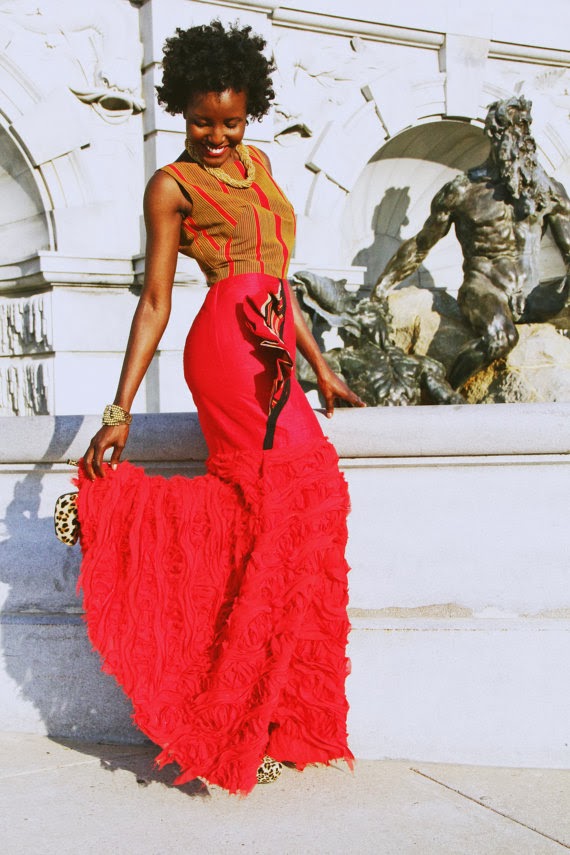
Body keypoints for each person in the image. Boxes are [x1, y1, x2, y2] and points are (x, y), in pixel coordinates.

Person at [75, 21, 364, 796]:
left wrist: (320, 366)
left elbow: (278, 281)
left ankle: (276, 708)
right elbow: (155, 299)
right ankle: (235, 710)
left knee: (301, 505)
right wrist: (119, 409)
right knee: (280, 498)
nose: (216, 135)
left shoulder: (259, 163)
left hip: (274, 348)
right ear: (181, 107)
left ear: (249, 112)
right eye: (202, 120)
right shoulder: (171, 186)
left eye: (230, 121)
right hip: (228, 352)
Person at [373, 96, 570, 389]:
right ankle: (446, 391)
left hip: (530, 295)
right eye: (508, 131)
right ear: (492, 135)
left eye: (522, 131)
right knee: (501, 338)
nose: (517, 140)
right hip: (484, 289)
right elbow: (422, 244)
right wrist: (381, 287)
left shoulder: (546, 190)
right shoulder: (463, 189)